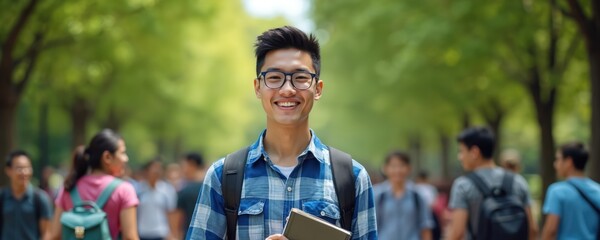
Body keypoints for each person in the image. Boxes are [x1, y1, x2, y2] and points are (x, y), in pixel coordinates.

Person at [187, 26, 377, 240]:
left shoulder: (352, 178)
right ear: (258, 87)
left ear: (318, 89)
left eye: (300, 77)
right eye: (275, 77)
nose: (287, 89)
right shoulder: (223, 176)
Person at [48, 129, 139, 240]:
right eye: (123, 153)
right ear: (107, 157)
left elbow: (55, 235)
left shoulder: (69, 187)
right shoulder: (124, 190)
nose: (126, 158)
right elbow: (130, 237)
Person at [446, 127, 536, 240]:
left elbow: (457, 233)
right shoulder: (518, 181)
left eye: (461, 151)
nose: (460, 157)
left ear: (474, 152)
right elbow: (532, 229)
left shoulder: (463, 185)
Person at [541, 142, 600, 240]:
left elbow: (551, 231)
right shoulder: (598, 190)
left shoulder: (557, 191)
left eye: (558, 159)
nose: (555, 164)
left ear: (568, 162)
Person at [374, 151, 434, 240]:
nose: (397, 170)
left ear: (409, 168)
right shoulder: (377, 194)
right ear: (385, 168)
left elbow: (425, 227)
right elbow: (372, 226)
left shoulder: (417, 195)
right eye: (393, 166)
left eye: (401, 166)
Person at [1, 150, 53, 240]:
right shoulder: (2, 197)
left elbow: (47, 233)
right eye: (19, 168)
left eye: (27, 168)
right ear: (8, 170)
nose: (24, 172)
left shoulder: (40, 198)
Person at [136, 159, 178, 240]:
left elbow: (171, 213)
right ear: (147, 171)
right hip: (142, 233)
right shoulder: (139, 190)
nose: (157, 171)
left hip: (161, 233)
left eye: (159, 168)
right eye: (154, 168)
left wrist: (173, 234)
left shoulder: (167, 190)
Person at [176, 152, 205, 239]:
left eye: (184, 166)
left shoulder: (185, 191)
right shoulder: (215, 186)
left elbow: (177, 221)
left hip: (190, 235)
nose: (183, 170)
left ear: (192, 164)